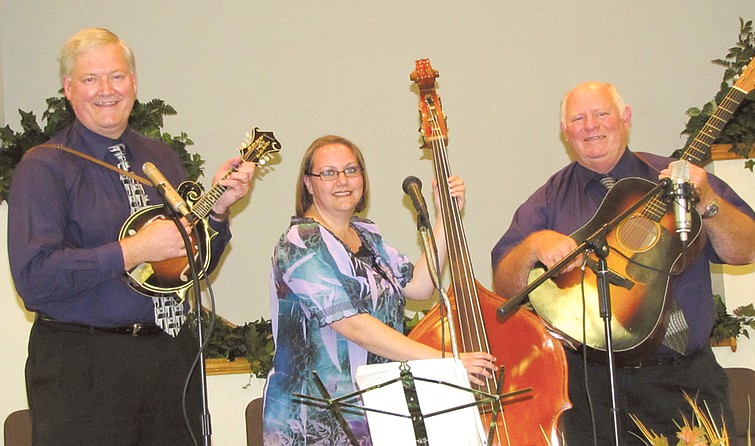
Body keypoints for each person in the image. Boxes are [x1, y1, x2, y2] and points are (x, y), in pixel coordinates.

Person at [7, 28, 256, 445]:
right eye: (90, 79)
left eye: (117, 76)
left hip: (170, 363)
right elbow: (34, 278)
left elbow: (185, 270)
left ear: (135, 84)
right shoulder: (43, 167)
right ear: (68, 89)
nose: (106, 90)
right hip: (83, 369)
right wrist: (133, 250)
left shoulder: (160, 158)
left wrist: (216, 212)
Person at [491, 81, 755, 444]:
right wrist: (533, 246)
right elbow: (505, 287)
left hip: (685, 381)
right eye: (578, 118)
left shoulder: (679, 177)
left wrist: (708, 201)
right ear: (565, 131)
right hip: (590, 389)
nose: (591, 125)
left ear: (625, 118)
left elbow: (745, 251)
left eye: (601, 113)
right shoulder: (549, 200)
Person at [262, 135, 497, 445]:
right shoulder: (301, 241)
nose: (342, 180)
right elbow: (352, 323)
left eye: (351, 170)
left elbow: (419, 285)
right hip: (315, 422)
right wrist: (445, 365)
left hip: (378, 412)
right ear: (308, 183)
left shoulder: (366, 234)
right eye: (328, 173)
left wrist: (447, 218)